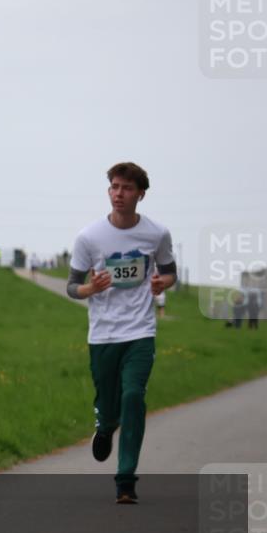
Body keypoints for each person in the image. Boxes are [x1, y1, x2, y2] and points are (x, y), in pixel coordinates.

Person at [66, 162, 176, 505]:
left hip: (140, 331)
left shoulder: (157, 234)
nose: (119, 194)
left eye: (127, 188)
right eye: (114, 187)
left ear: (140, 194)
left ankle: (125, 480)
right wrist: (90, 289)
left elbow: (170, 272)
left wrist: (161, 282)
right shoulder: (89, 237)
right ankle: (105, 426)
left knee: (133, 397)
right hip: (102, 335)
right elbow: (72, 286)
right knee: (110, 403)